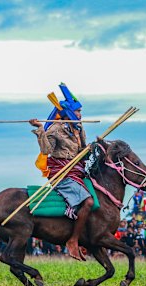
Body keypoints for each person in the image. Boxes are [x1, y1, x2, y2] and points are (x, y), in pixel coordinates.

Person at [29, 83, 93, 261]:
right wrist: (41, 130)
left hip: (77, 171)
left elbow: (81, 151)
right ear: (70, 113)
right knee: (87, 202)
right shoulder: (56, 128)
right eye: (78, 111)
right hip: (62, 174)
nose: (80, 115)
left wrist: (91, 148)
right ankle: (72, 240)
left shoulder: (79, 128)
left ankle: (88, 240)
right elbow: (46, 150)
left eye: (80, 111)